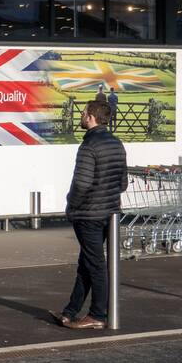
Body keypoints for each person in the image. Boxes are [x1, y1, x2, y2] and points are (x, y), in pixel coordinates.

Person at [55, 99, 128, 329]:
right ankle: (70, 311)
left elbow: (82, 184)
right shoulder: (117, 144)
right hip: (110, 214)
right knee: (87, 262)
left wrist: (71, 205)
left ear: (91, 117)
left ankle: (98, 314)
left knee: (94, 264)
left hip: (89, 216)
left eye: (84, 112)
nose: (82, 115)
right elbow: (122, 183)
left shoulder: (88, 147)